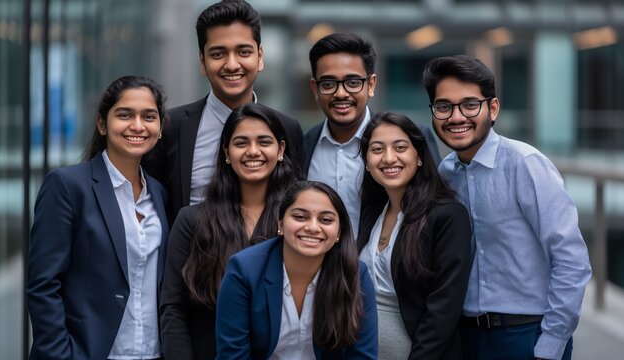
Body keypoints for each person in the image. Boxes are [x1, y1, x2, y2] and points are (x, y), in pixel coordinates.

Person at [422, 54, 592, 360]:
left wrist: (551, 343)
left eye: (470, 104)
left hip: (526, 335)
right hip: (465, 335)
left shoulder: (525, 164)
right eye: (444, 106)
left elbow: (571, 260)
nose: (456, 116)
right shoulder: (445, 173)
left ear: (493, 108)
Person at [27, 75, 169, 360]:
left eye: (148, 116)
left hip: (152, 353)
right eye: (125, 114)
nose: (137, 125)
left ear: (160, 128)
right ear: (103, 123)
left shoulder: (159, 194)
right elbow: (43, 285)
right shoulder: (67, 186)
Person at [144, 0, 304, 224]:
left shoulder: (288, 128)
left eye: (243, 52)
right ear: (202, 60)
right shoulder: (171, 126)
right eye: (218, 54)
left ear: (260, 57)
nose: (231, 64)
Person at [159, 103, 298, 360]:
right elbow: (174, 310)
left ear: (280, 150)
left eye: (264, 142)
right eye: (241, 143)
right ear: (226, 152)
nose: (252, 151)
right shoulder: (191, 220)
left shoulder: (297, 222)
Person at [216, 181, 378, 359]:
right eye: (300, 217)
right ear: (280, 224)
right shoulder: (244, 270)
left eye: (326, 220)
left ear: (339, 232)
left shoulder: (356, 274)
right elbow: (232, 355)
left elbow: (362, 355)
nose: (313, 227)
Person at [357, 112, 472, 359]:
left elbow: (444, 309)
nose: (388, 158)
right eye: (377, 149)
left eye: (400, 147)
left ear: (419, 157)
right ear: (366, 161)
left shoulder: (447, 215)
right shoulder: (372, 210)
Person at [304, 32, 440, 236]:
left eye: (352, 82)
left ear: (372, 85)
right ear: (315, 88)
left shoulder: (411, 139)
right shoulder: (302, 145)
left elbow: (437, 210)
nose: (341, 93)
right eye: (328, 84)